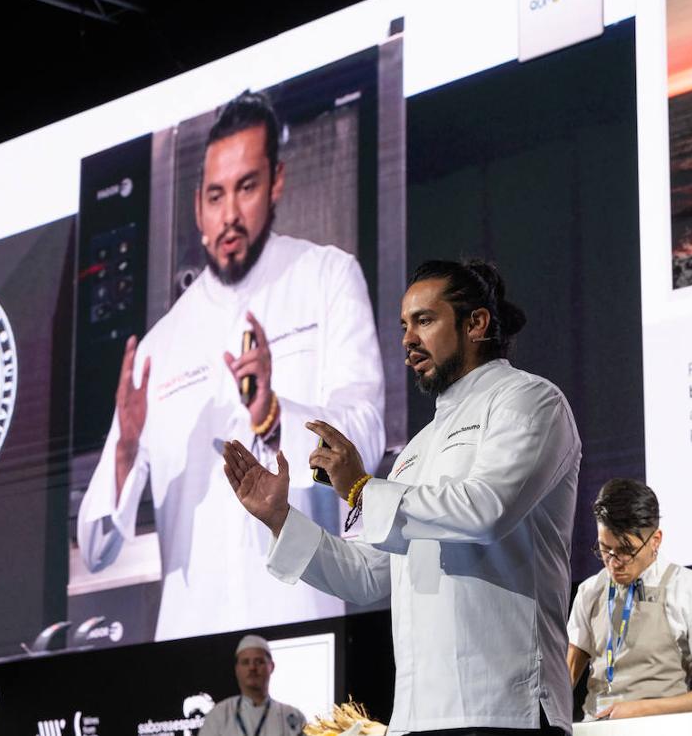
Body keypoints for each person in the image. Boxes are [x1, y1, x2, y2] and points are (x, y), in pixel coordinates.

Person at [224, 259, 582, 735]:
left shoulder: (529, 400)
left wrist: (361, 489)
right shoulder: (416, 449)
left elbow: (487, 510)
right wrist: (280, 519)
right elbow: (369, 576)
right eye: (403, 326)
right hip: (416, 717)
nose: (408, 340)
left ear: (476, 323)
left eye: (425, 320)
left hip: (503, 710)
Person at [77, 90, 386, 640]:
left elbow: (366, 436)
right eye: (217, 196)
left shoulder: (327, 278)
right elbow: (98, 548)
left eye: (247, 187)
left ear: (276, 184)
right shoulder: (158, 345)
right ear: (198, 206)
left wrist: (272, 415)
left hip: (305, 632)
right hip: (187, 652)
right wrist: (124, 451)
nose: (231, 215)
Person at [566, 479, 692, 720]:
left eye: (627, 551)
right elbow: (564, 680)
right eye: (605, 549)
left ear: (655, 540)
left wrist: (641, 709)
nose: (614, 562)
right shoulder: (589, 592)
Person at [198, 635, 307, 736]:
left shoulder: (293, 716)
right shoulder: (219, 715)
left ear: (271, 666)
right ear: (237, 669)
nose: (252, 668)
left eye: (259, 662)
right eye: (245, 662)